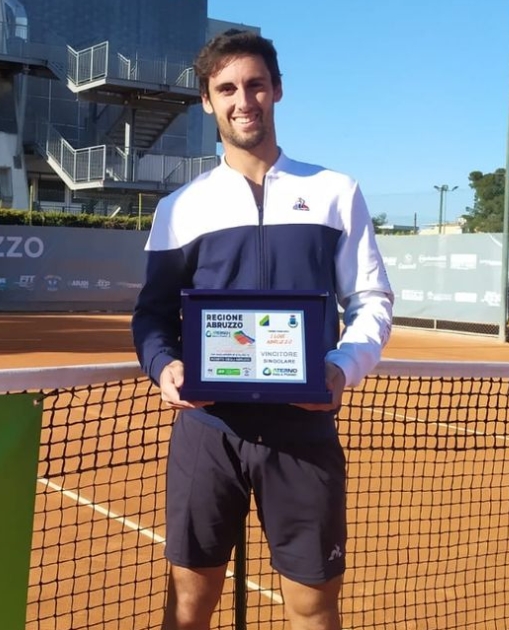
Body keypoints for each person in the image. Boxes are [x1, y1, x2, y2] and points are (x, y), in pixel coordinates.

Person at [131, 29, 394, 630]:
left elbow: (371, 298)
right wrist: (166, 367)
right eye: (226, 88)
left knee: (312, 604)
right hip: (207, 429)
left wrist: (342, 366)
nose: (242, 100)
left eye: (254, 85)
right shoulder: (180, 207)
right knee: (188, 603)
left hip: (303, 430)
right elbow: (151, 314)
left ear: (277, 91)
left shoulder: (334, 192)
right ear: (207, 101)